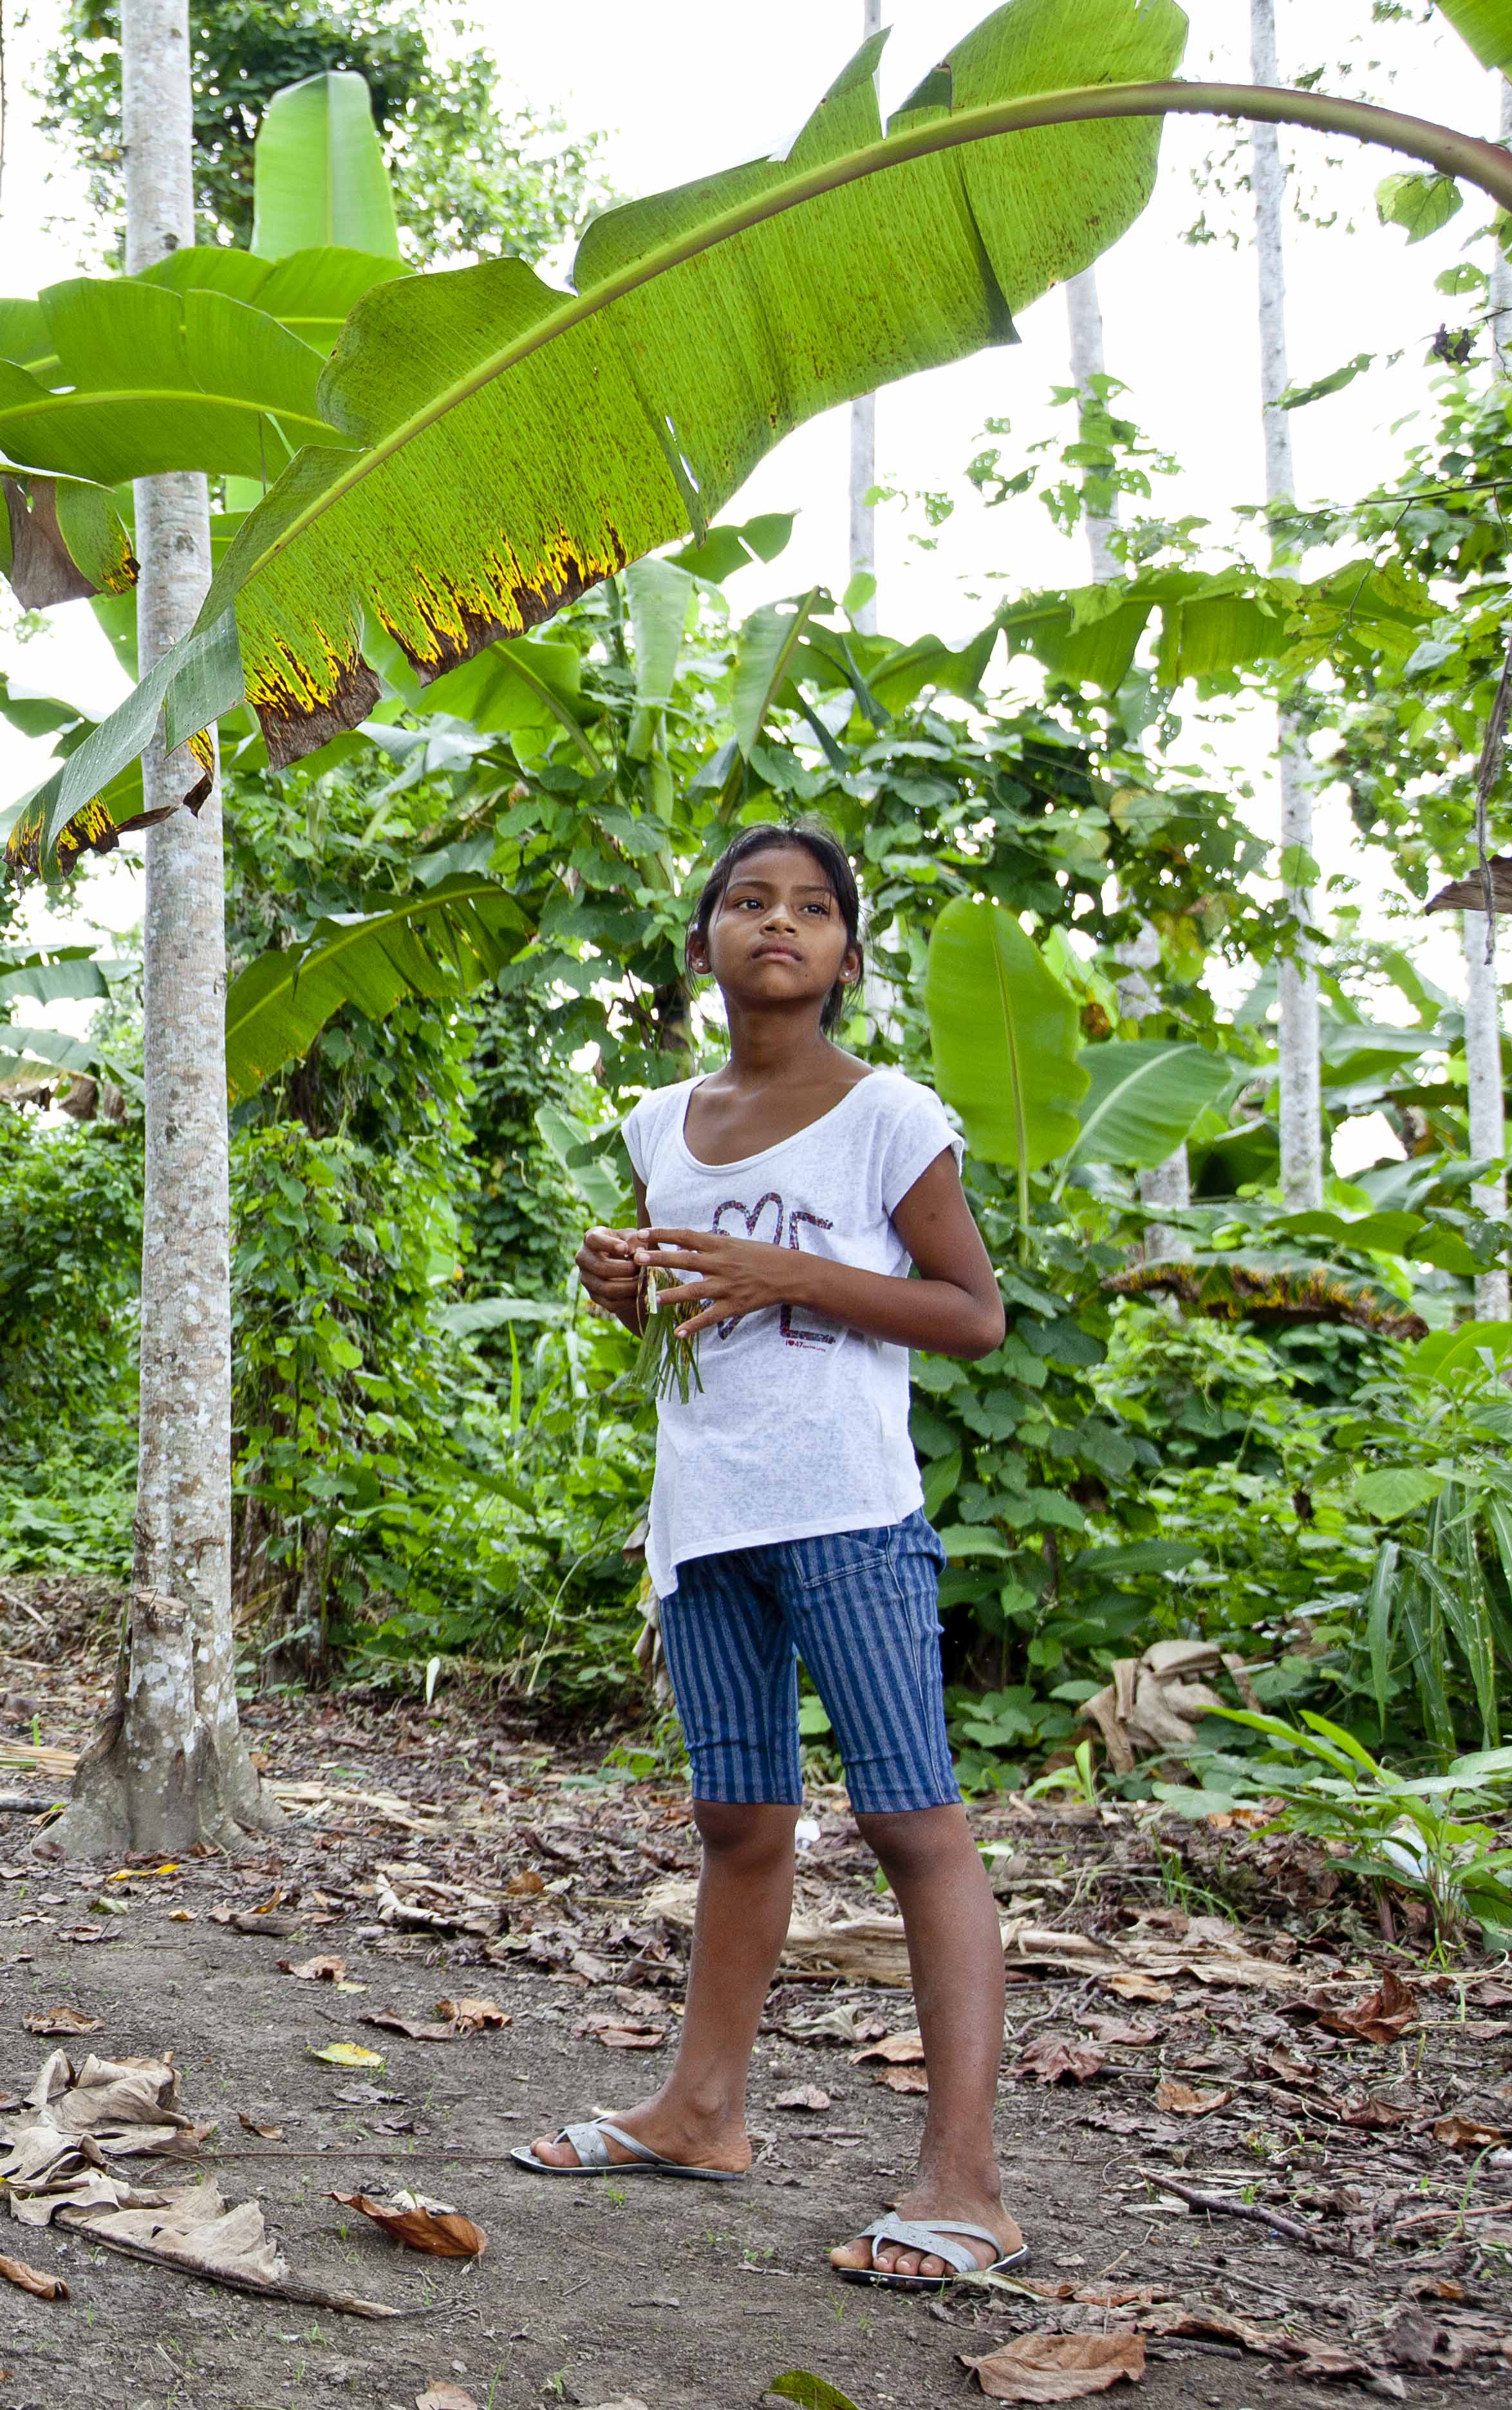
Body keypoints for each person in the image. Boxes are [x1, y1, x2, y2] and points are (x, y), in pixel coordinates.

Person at [515, 823, 1020, 2289]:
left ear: (848, 957)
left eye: (810, 909)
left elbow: (971, 1312)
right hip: (708, 1515)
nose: (776, 925)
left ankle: (966, 2183)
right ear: (705, 945)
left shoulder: (887, 1115)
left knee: (913, 1824)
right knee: (739, 1825)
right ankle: (701, 2112)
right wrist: (617, 1281)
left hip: (847, 1510)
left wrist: (793, 1271)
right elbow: (680, 1315)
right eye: (747, 903)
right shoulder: (660, 1124)